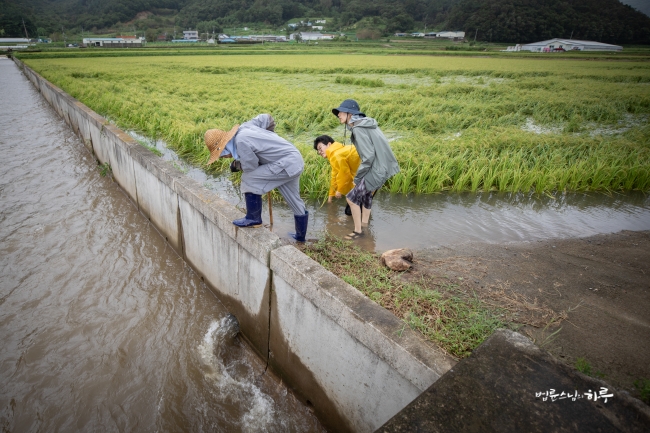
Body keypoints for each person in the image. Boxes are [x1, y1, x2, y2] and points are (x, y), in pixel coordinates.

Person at [204, 114, 308, 242]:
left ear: (224, 147)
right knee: (294, 199)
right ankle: (301, 238)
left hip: (284, 164)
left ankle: (253, 219)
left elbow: (251, 167)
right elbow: (265, 118)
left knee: (248, 178)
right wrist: (268, 139)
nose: (224, 157)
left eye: (221, 155)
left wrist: (237, 165)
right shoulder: (245, 127)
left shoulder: (240, 142)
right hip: (294, 160)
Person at [332, 99, 400, 240]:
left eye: (341, 112)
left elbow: (368, 157)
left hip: (376, 168)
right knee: (367, 196)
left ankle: (358, 232)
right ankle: (364, 226)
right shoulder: (366, 124)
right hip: (383, 167)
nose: (338, 114)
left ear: (350, 114)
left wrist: (357, 178)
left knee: (351, 199)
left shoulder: (358, 129)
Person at [313, 134, 361, 216]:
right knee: (357, 208)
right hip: (366, 178)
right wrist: (330, 196)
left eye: (320, 148)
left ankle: (360, 223)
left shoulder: (336, 155)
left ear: (329, 144)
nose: (319, 152)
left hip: (371, 176)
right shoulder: (336, 153)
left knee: (350, 211)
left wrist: (339, 190)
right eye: (318, 150)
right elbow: (334, 176)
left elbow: (345, 174)